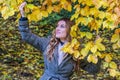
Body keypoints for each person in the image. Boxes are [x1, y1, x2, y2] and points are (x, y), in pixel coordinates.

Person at [19, 2, 101, 80]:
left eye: (62, 26)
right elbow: (27, 36)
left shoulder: (77, 51)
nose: (57, 28)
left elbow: (93, 69)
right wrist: (23, 16)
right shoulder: (48, 43)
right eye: (57, 26)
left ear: (70, 30)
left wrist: (97, 49)